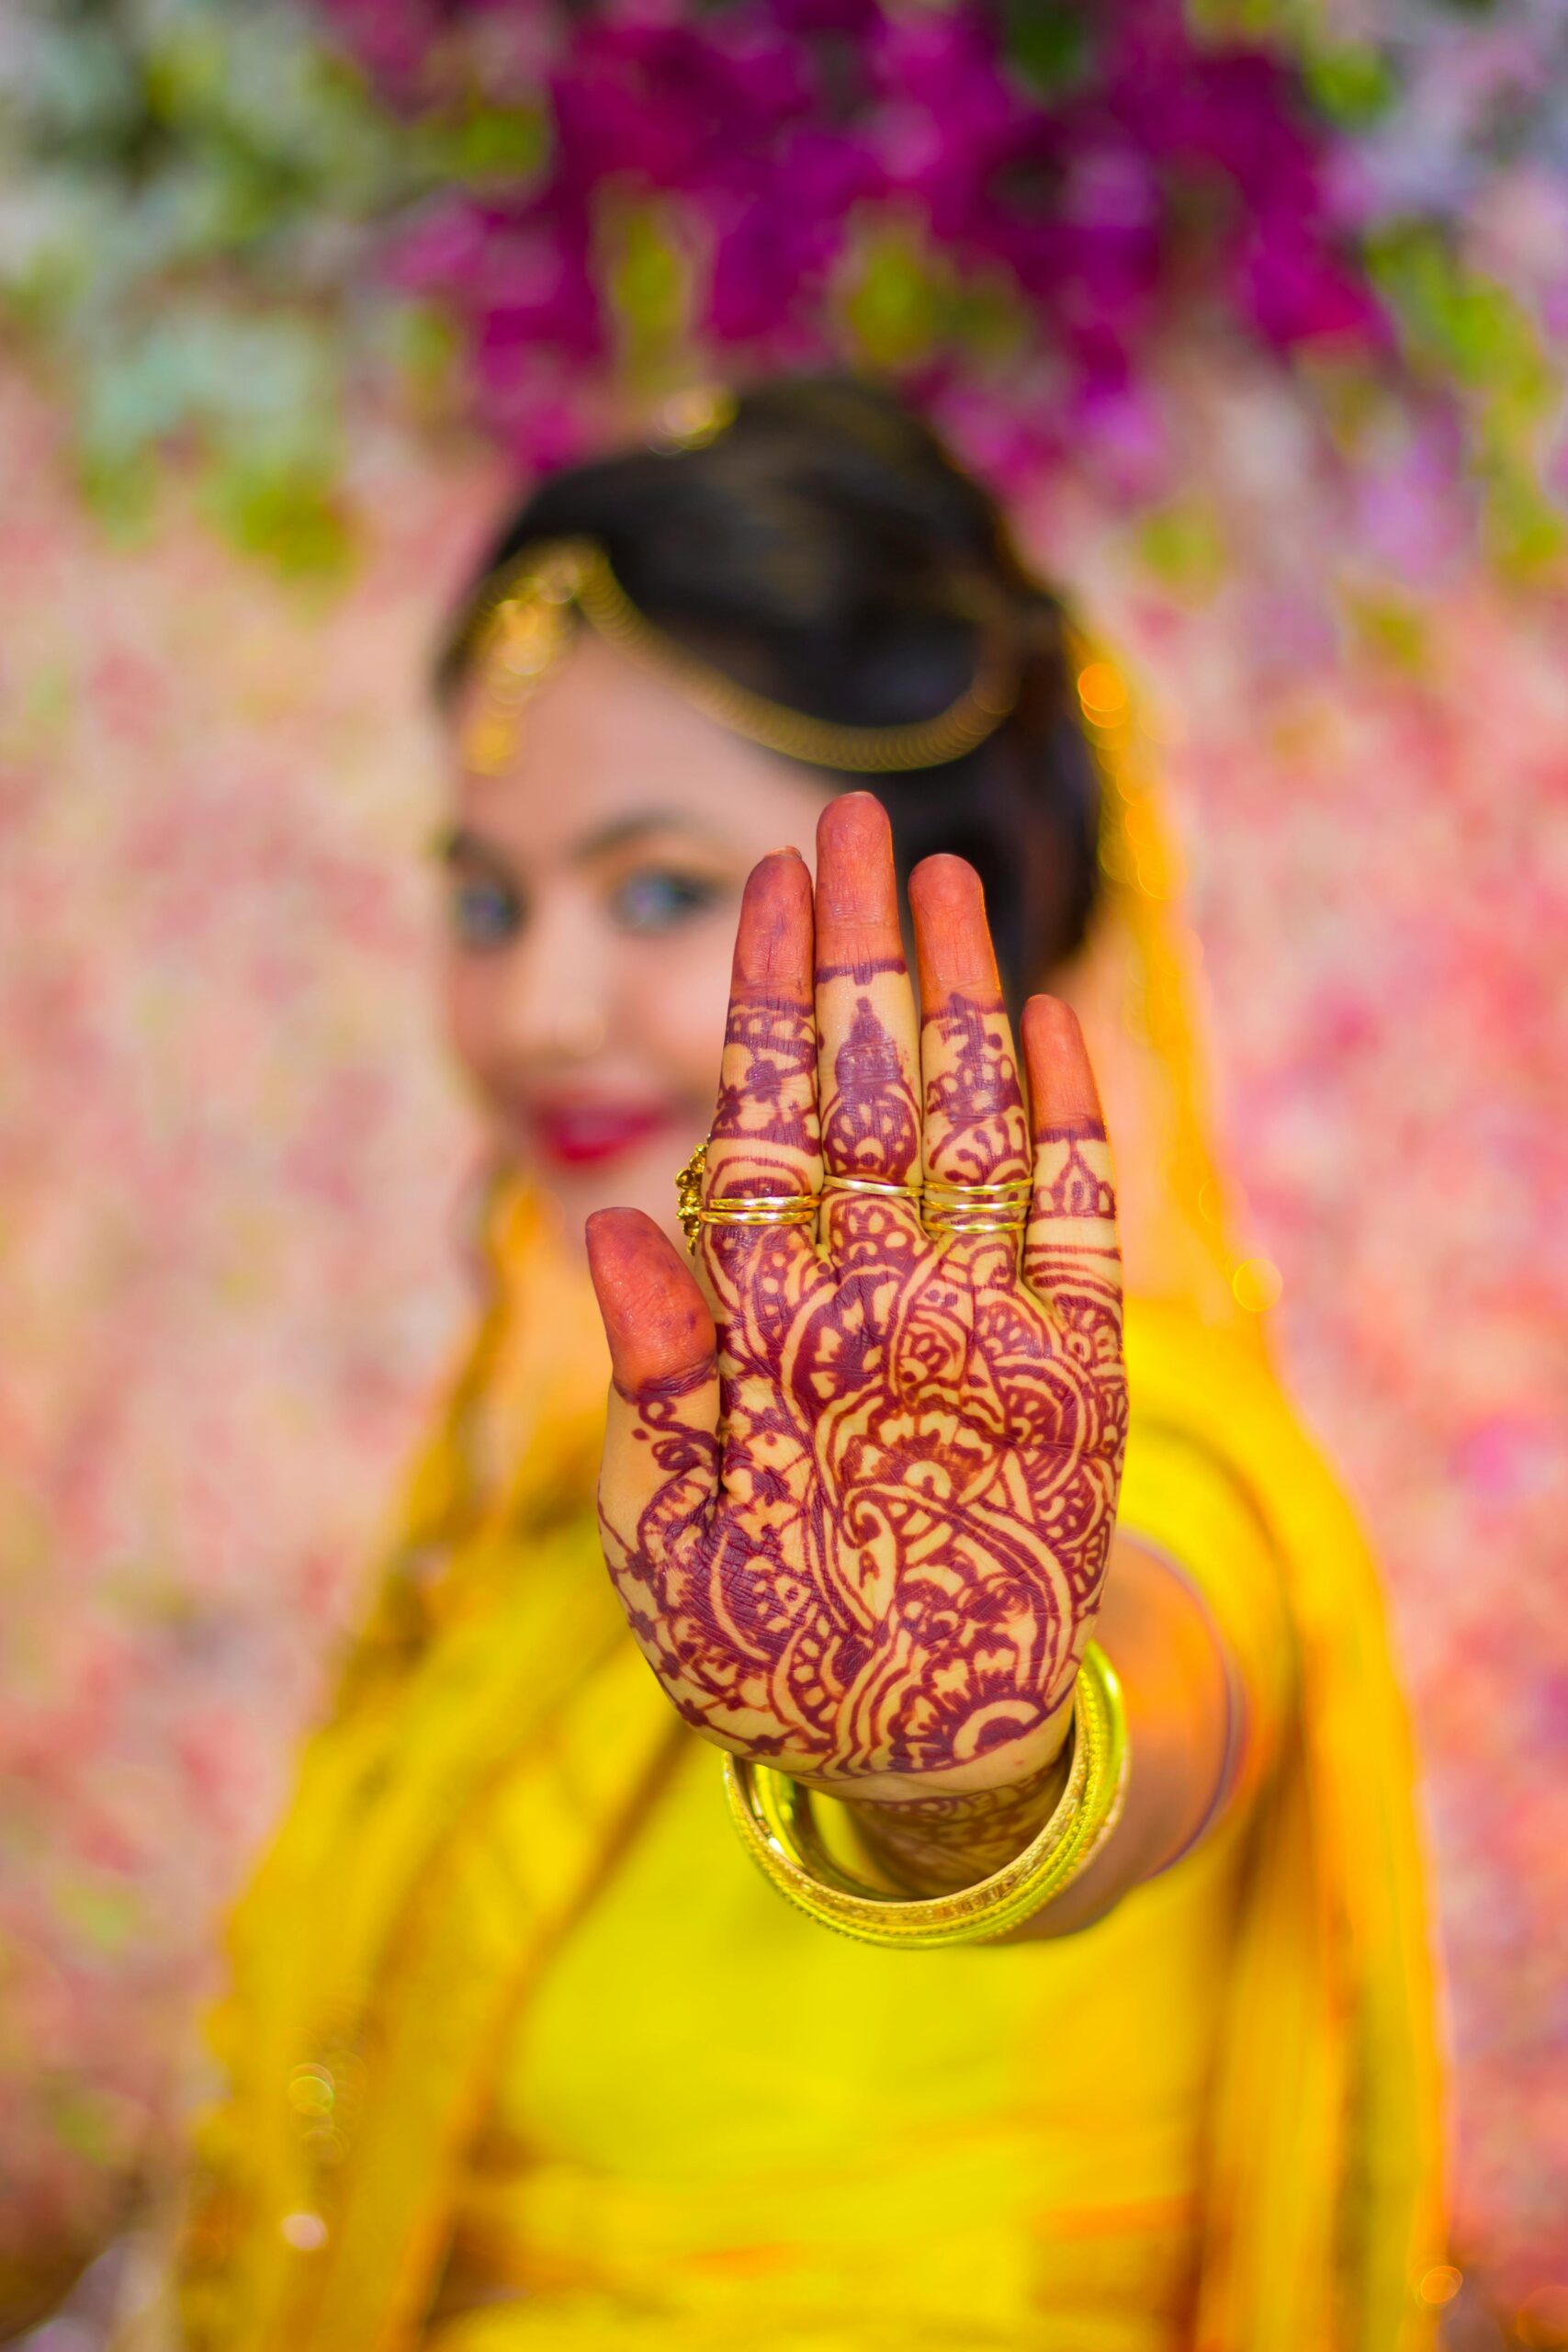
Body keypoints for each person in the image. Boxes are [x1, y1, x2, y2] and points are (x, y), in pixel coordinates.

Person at [148, 379, 1443, 2352]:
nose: (534, 1007)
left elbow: (1157, 1677)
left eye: (661, 888)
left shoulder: (1131, 1459)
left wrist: (968, 1761)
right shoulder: (601, 1481)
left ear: (968, 938)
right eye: (487, 897)